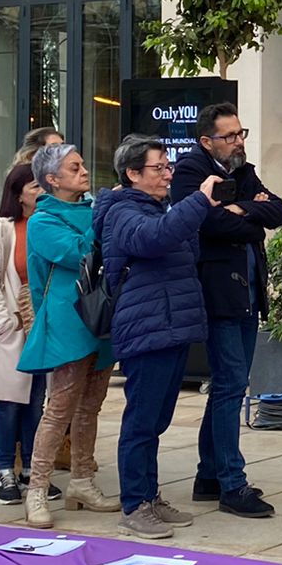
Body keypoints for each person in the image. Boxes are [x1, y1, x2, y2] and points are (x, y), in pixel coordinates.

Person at [95, 134, 222, 540]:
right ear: (132, 173)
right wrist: (199, 202)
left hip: (170, 323)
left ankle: (150, 496)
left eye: (168, 167)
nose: (168, 174)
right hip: (147, 326)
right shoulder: (122, 212)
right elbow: (157, 238)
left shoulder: (154, 207)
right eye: (159, 168)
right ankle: (134, 505)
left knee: (157, 419)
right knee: (141, 419)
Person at [168, 103, 282, 519]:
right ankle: (232, 484)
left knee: (228, 387)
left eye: (241, 133)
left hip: (248, 292)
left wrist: (245, 209)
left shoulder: (243, 170)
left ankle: (208, 475)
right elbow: (207, 224)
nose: (239, 141)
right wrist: (253, 217)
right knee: (232, 385)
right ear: (206, 141)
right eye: (230, 136)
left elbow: (280, 211)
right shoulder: (190, 171)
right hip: (217, 293)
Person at [21, 142, 123, 527]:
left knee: (91, 406)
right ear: (52, 179)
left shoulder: (93, 209)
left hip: (101, 318)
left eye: (82, 165)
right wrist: (106, 216)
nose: (84, 172)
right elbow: (81, 253)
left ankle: (82, 480)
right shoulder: (43, 221)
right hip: (68, 322)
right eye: (74, 167)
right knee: (59, 408)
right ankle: (37, 489)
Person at [0, 161, 49, 505]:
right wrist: (3, 322)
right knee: (7, 401)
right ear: (18, 194)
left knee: (37, 401)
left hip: (44, 328)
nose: (42, 191)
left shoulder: (49, 223)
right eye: (35, 186)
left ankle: (31, 470)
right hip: (12, 328)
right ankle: (5, 470)